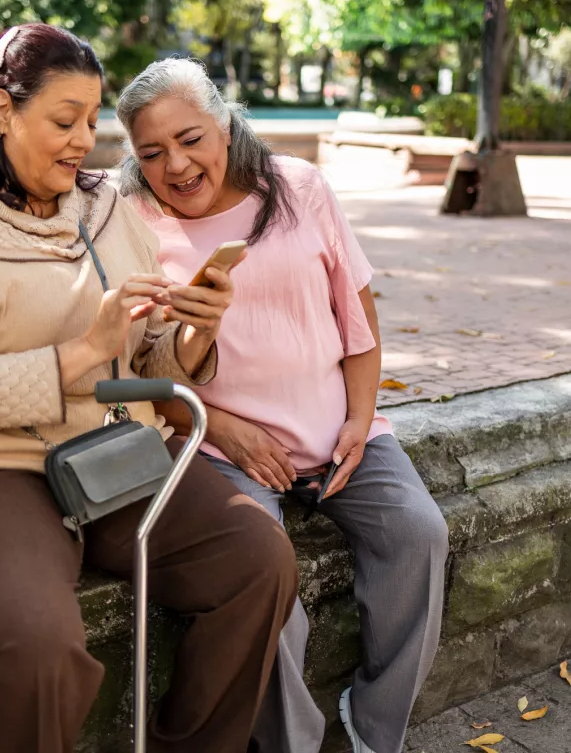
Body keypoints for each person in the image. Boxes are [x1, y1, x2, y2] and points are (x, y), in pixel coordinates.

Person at [0, 25, 299, 753]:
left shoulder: (107, 211)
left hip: (98, 448)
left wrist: (194, 334)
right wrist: (83, 351)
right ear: (0, 109)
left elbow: (147, 361)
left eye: (92, 121)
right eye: (64, 121)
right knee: (34, 644)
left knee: (259, 560)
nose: (85, 141)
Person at [116, 58, 449, 753]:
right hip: (218, 447)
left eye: (190, 138)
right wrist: (227, 431)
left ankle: (374, 727)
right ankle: (293, 743)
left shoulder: (300, 188)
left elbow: (357, 317)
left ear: (225, 124)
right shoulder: (134, 224)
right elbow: (147, 373)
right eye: (152, 152)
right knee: (268, 585)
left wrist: (360, 420)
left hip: (337, 432)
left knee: (420, 534)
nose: (175, 164)